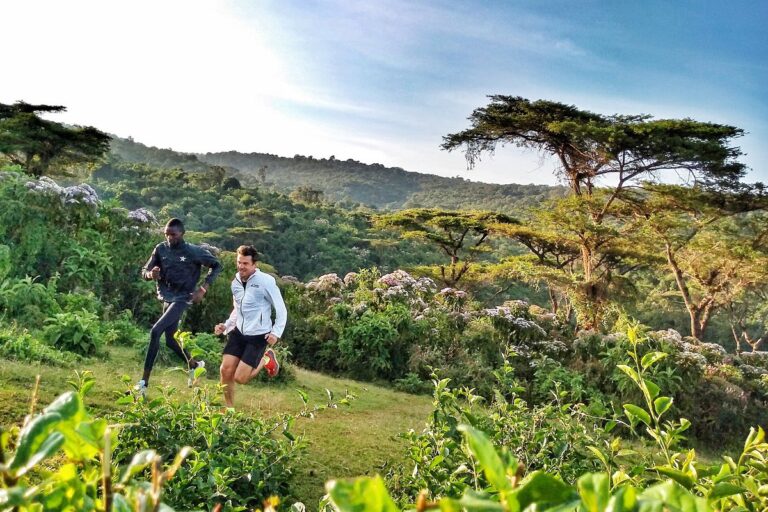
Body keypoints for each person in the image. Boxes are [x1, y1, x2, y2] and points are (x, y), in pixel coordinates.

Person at [135, 218, 223, 396]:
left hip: (183, 297)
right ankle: (195, 365)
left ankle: (143, 384)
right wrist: (150, 274)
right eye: (166, 234)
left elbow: (217, 265)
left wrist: (203, 289)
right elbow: (144, 271)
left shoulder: (193, 251)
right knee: (170, 340)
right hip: (166, 295)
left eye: (173, 235)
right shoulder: (160, 249)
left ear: (182, 234)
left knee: (155, 331)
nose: (169, 238)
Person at [215, 245, 287, 409]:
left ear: (254, 264)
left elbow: (281, 309)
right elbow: (237, 309)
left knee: (241, 378)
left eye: (245, 263)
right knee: (225, 370)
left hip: (258, 336)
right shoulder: (235, 283)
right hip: (239, 332)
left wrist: (276, 332)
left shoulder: (266, 282)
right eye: (239, 262)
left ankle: (266, 359)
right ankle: (230, 410)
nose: (241, 267)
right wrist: (225, 325)